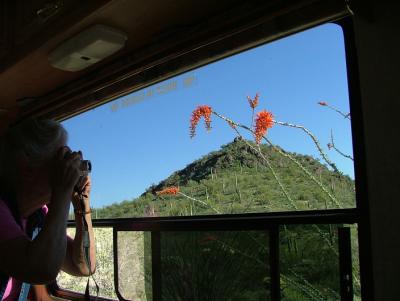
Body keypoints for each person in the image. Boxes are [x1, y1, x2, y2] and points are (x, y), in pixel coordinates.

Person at [0, 119, 96, 301]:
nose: (68, 167)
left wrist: (81, 203)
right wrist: (62, 191)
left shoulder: (39, 215)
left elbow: (84, 266)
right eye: (61, 158)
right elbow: (41, 270)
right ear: (26, 165)